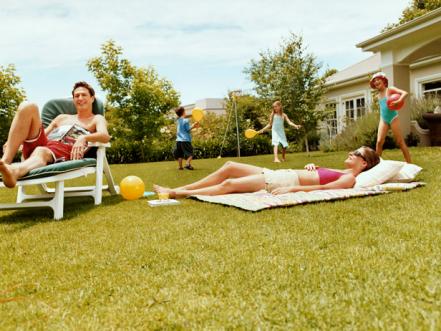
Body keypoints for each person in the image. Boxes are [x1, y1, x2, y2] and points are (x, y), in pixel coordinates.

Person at [154, 146, 380, 199]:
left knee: (229, 184)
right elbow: (320, 176)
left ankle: (174, 193)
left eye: (356, 153)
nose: (351, 153)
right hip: (281, 172)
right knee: (230, 166)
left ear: (364, 163)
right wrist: (314, 167)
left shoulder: (350, 177)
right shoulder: (343, 170)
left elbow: (324, 188)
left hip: (284, 179)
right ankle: (181, 188)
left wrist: (293, 188)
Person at [0, 81, 110, 188]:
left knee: (41, 150)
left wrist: (84, 137)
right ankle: (5, 162)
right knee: (28, 106)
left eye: (84, 95)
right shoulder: (62, 117)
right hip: (45, 144)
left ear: (92, 98)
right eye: (77, 96)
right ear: (73, 99)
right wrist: (16, 142)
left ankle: (15, 171)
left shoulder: (96, 118)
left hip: (65, 150)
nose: (80, 98)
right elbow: (44, 134)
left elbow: (105, 136)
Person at [370, 72, 411, 163]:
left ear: (384, 81)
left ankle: (409, 163)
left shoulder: (390, 89)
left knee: (400, 141)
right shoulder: (378, 95)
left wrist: (399, 101)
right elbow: (383, 108)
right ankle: (377, 165)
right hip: (383, 119)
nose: (376, 82)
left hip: (393, 118)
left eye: (378, 79)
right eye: (374, 81)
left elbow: (405, 93)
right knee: (379, 142)